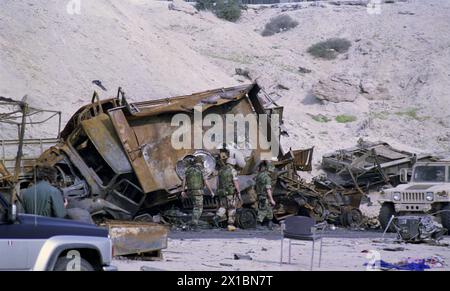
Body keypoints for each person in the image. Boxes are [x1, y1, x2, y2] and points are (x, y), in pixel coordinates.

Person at [181, 155, 214, 230]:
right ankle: (194, 224)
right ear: (201, 161)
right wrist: (211, 191)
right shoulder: (201, 169)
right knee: (198, 207)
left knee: (194, 206)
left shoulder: (188, 169)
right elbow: (206, 181)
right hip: (198, 191)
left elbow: (184, 181)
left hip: (190, 191)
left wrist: (182, 191)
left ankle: (193, 222)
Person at [213, 157, 241, 230]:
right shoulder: (232, 170)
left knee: (223, 206)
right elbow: (235, 182)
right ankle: (230, 224)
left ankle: (217, 217)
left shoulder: (221, 170)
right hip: (230, 192)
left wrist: (218, 190)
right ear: (233, 163)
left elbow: (218, 182)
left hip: (221, 192)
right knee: (232, 207)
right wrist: (238, 192)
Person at [255, 161, 276, 230]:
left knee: (269, 210)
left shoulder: (259, 175)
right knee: (262, 210)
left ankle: (270, 224)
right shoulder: (267, 178)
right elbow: (268, 189)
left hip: (259, 195)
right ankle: (258, 224)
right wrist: (271, 199)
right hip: (265, 196)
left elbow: (255, 186)